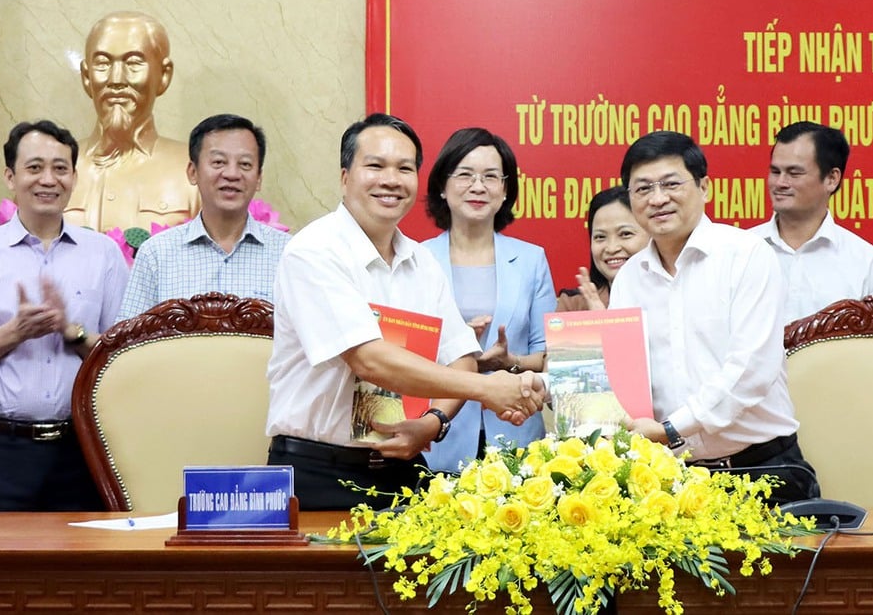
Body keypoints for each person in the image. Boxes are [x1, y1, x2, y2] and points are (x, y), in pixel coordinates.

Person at [265, 114, 546, 510]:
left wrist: (432, 424)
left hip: (401, 467)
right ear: (345, 177)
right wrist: (490, 389)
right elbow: (368, 359)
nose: (391, 179)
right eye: (375, 166)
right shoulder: (314, 250)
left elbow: (462, 358)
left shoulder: (421, 261)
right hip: (317, 472)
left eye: (405, 168)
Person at [610, 130, 819, 504]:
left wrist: (672, 429)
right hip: (670, 480)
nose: (658, 199)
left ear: (704, 186)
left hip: (762, 472)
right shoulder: (629, 278)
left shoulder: (746, 255)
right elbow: (619, 373)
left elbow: (751, 369)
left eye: (671, 183)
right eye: (642, 189)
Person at [0, 120, 129, 511]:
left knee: (80, 568)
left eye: (60, 168)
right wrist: (15, 332)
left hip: (82, 449)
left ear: (74, 177)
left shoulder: (104, 255)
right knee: (0, 568)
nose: (48, 179)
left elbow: (125, 365)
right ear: (10, 177)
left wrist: (72, 332)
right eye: (34, 168)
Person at [419, 128, 556, 472]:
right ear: (442, 185)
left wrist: (509, 362)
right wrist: (457, 351)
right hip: (437, 436)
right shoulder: (416, 260)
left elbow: (547, 355)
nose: (478, 186)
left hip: (515, 434)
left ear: (505, 190)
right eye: (465, 174)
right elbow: (399, 356)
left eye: (491, 177)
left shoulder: (531, 260)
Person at [117, 114, 291, 320]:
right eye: (218, 162)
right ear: (193, 172)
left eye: (245, 164)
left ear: (259, 178)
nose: (232, 174)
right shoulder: (156, 254)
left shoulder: (288, 254)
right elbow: (129, 343)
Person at [65, 11, 200, 232]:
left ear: (164, 75)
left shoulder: (195, 170)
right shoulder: (50, 172)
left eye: (133, 63)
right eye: (103, 63)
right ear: (86, 77)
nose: (116, 79)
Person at [748, 122, 873, 322]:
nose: (780, 183)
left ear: (831, 179)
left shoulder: (867, 262)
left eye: (794, 173)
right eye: (775, 171)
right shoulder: (740, 250)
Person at [556, 186, 649, 312]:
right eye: (600, 237)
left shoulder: (675, 295)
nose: (611, 248)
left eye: (625, 234)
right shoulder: (573, 304)